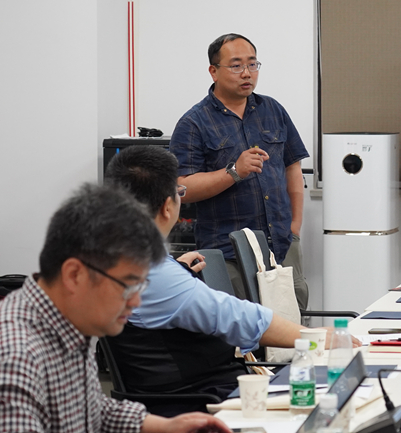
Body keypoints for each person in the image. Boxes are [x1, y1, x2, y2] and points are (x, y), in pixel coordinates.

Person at [103, 146, 360, 411]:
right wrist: (314, 336)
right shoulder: (158, 275)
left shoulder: (112, 259)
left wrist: (174, 268)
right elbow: (238, 318)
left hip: (174, 395)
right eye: (180, 192)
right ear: (167, 206)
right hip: (205, 402)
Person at [0, 184, 229, 433]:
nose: (136, 301)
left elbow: (92, 409)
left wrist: (166, 425)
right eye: (128, 285)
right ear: (75, 275)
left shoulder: (66, 323)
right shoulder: (17, 360)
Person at [170, 33, 309, 310]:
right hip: (228, 252)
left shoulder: (273, 110)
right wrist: (234, 171)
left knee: (292, 325)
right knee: (240, 329)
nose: (247, 73)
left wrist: (294, 226)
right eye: (236, 66)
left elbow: (292, 167)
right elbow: (182, 189)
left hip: (281, 245)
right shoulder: (194, 123)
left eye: (252, 64)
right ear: (214, 71)